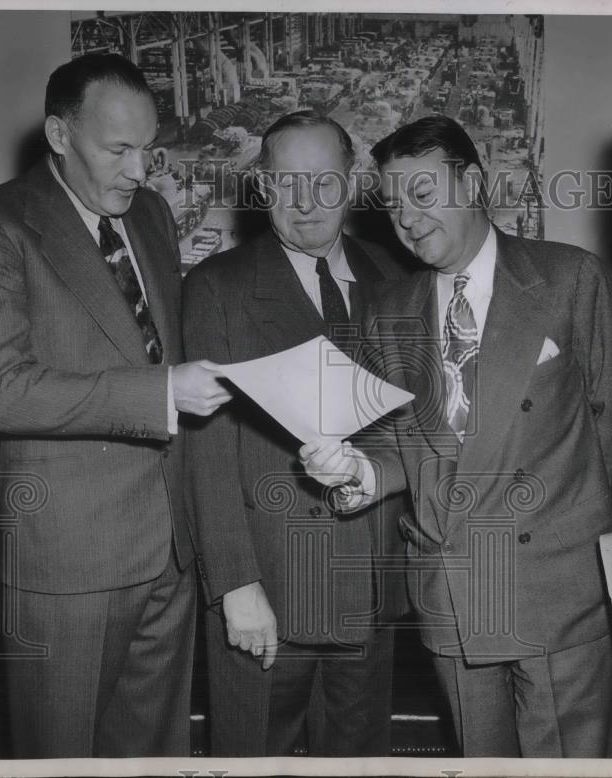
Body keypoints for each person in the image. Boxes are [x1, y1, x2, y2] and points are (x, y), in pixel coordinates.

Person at [300, 115, 612, 757]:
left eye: (423, 196)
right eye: (395, 205)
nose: (407, 220)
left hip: (558, 599)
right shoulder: (390, 311)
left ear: (474, 184)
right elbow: (401, 448)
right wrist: (354, 472)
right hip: (450, 596)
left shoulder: (569, 281)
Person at [0, 53, 233, 757]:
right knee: (60, 757)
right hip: (68, 564)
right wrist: (163, 392)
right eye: (119, 150)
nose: (140, 171)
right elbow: (6, 391)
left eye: (148, 149)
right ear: (58, 134)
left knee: (155, 756)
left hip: (169, 552)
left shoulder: (155, 215)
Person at [182, 111, 410, 757]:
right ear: (261, 186)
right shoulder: (216, 289)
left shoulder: (397, 278)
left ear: (353, 181)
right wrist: (234, 585)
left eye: (322, 182)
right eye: (285, 183)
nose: (305, 204)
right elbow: (207, 453)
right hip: (266, 598)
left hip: (370, 592)